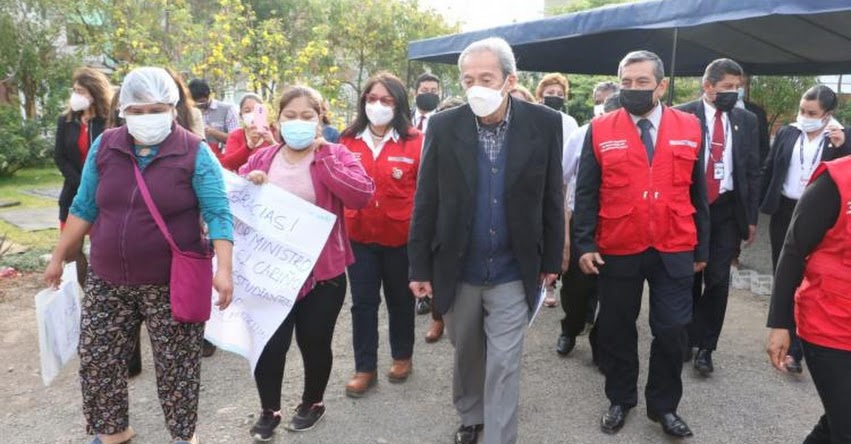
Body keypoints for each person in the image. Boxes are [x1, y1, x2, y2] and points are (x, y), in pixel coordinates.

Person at [43, 67, 234, 444]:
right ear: (123, 111)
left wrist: (223, 269)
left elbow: (218, 213)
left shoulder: (195, 151)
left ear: (173, 108)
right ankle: (113, 431)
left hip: (171, 281)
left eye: (156, 109)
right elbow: (84, 206)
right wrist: (58, 256)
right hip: (107, 278)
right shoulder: (107, 145)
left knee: (176, 367)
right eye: (137, 111)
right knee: (98, 359)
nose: (146, 118)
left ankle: (183, 436)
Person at [408, 37, 564, 444]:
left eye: (486, 77)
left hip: (515, 268)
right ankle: (470, 414)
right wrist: (419, 267)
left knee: (505, 363)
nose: (476, 85)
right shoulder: (444, 126)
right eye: (467, 78)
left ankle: (498, 437)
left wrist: (552, 260)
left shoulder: (543, 124)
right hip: (459, 267)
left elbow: (552, 196)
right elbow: (426, 200)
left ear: (510, 80)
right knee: (468, 351)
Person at [574, 50, 709, 438]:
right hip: (618, 244)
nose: (632, 89)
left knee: (672, 329)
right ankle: (620, 398)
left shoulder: (689, 125)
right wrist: (584, 243)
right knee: (616, 327)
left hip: (674, 243)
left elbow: (699, 194)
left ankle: (664, 407)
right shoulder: (600, 129)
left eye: (642, 82)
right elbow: (586, 192)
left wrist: (702, 249)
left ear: (662, 86)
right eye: (626, 82)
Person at [241, 86, 374, 441]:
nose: (297, 122)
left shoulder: (337, 154)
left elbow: (360, 195)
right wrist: (250, 184)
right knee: (270, 344)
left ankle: (312, 403)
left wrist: (325, 157)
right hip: (271, 272)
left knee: (315, 343)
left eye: (307, 116)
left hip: (322, 273)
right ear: (278, 119)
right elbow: (236, 204)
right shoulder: (263, 158)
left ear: (320, 120)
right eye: (290, 116)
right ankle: (269, 409)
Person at [339, 72, 423, 397]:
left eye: (386, 100)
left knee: (400, 301)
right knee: (363, 304)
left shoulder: (415, 141)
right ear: (363, 102)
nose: (378, 105)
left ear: (399, 104)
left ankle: (402, 356)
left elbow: (426, 193)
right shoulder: (347, 140)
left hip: (401, 239)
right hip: (358, 237)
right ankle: (365, 368)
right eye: (372, 99)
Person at [675, 58, 760, 375]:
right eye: (727, 87)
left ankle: (706, 347)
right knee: (687, 277)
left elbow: (752, 171)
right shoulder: (682, 114)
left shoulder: (746, 120)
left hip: (725, 209)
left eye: (737, 88)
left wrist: (750, 218)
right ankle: (684, 337)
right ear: (707, 86)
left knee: (718, 280)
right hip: (689, 208)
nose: (733, 93)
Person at [760, 84, 851, 373]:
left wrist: (843, 146)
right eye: (802, 110)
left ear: (828, 115)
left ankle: (798, 347)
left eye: (812, 113)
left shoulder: (840, 139)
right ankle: (784, 328)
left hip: (819, 217)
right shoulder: (788, 132)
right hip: (785, 210)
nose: (804, 116)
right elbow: (771, 167)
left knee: (808, 278)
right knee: (784, 271)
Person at [766, 155, 851, 444]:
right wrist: (780, 324)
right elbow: (792, 251)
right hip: (829, 326)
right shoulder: (835, 182)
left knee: (836, 423)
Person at [557, 87, 619, 358]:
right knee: (577, 287)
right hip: (582, 221)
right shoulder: (581, 135)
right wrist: (565, 231)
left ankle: (601, 340)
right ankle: (570, 329)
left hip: (619, 223)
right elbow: (563, 178)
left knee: (615, 290)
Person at [53, 67, 112, 286]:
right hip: (72, 193)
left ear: (95, 93)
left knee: (104, 249)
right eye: (75, 90)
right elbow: (59, 156)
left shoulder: (109, 122)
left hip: (105, 194)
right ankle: (87, 293)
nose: (76, 95)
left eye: (82, 90)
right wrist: (82, 183)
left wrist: (97, 185)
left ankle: (104, 294)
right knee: (71, 251)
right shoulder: (66, 121)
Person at [536, 73, 579, 307]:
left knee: (557, 231)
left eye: (559, 94)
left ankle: (551, 283)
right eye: (550, 93)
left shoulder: (569, 121)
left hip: (560, 183)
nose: (554, 97)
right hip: (535, 181)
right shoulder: (532, 116)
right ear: (540, 95)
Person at [216, 93, 276, 171]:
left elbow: (285, 158)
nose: (252, 114)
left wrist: (272, 142)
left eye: (256, 110)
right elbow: (229, 164)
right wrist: (249, 146)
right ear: (241, 115)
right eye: (247, 111)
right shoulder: (236, 135)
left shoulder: (274, 132)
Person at [187, 78, 239, 152]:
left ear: (209, 96)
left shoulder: (227, 109)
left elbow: (236, 139)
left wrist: (213, 132)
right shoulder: (189, 112)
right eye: (196, 103)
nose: (199, 105)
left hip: (223, 155)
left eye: (202, 102)